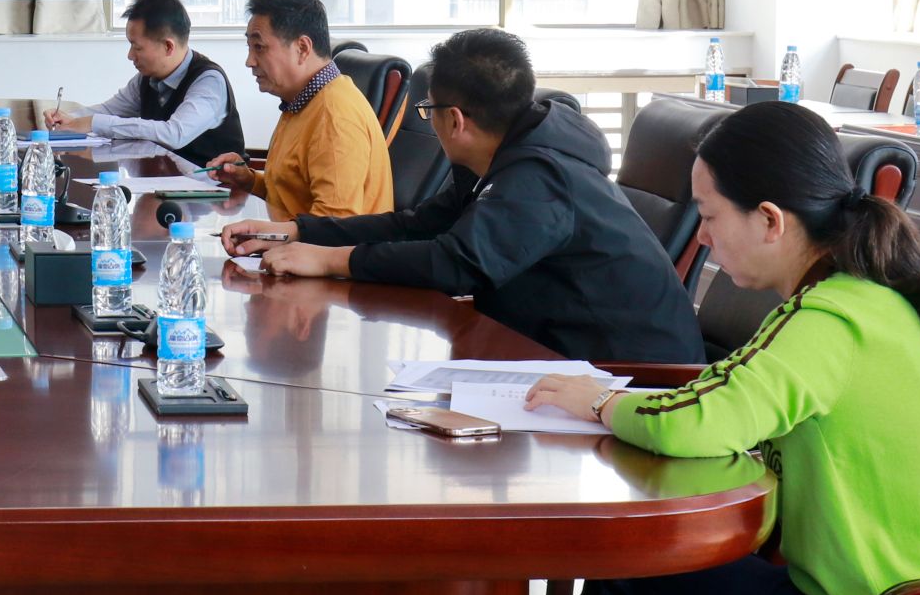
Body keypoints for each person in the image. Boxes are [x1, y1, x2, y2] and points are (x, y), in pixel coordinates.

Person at [522, 100, 920, 595]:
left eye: (710, 216)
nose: (704, 236)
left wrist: (600, 402)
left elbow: (701, 420)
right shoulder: (856, 300)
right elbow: (727, 388)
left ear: (770, 219)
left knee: (638, 572)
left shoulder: (830, 320)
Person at [223, 27, 701, 363]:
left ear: (455, 120)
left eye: (428, 110)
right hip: (551, 351)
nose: (429, 122)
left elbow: (457, 264)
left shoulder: (541, 176)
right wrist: (296, 232)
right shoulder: (499, 157)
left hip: (628, 375)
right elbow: (416, 224)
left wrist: (329, 260)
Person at [205, 0, 391, 219]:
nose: (249, 61)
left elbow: (335, 224)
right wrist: (248, 180)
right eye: (250, 48)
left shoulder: (333, 117)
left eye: (259, 47)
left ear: (302, 48)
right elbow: (293, 195)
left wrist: (263, 234)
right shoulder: (302, 102)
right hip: (299, 239)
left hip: (328, 243)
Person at [43, 0, 246, 166]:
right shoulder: (147, 78)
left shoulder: (208, 81)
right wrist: (70, 119)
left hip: (213, 190)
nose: (130, 55)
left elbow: (174, 134)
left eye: (137, 47)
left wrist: (94, 123)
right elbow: (111, 110)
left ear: (168, 46)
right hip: (165, 184)